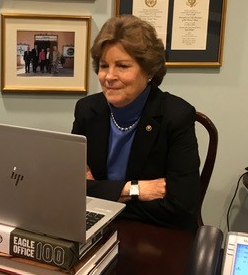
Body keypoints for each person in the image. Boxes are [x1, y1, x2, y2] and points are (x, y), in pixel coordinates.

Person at [71, 15, 200, 231]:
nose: (109, 76)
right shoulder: (87, 110)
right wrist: (134, 190)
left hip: (156, 235)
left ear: (149, 70)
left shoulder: (177, 116)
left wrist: (100, 193)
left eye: (122, 66)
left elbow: (181, 208)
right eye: (104, 66)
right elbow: (72, 188)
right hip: (97, 228)